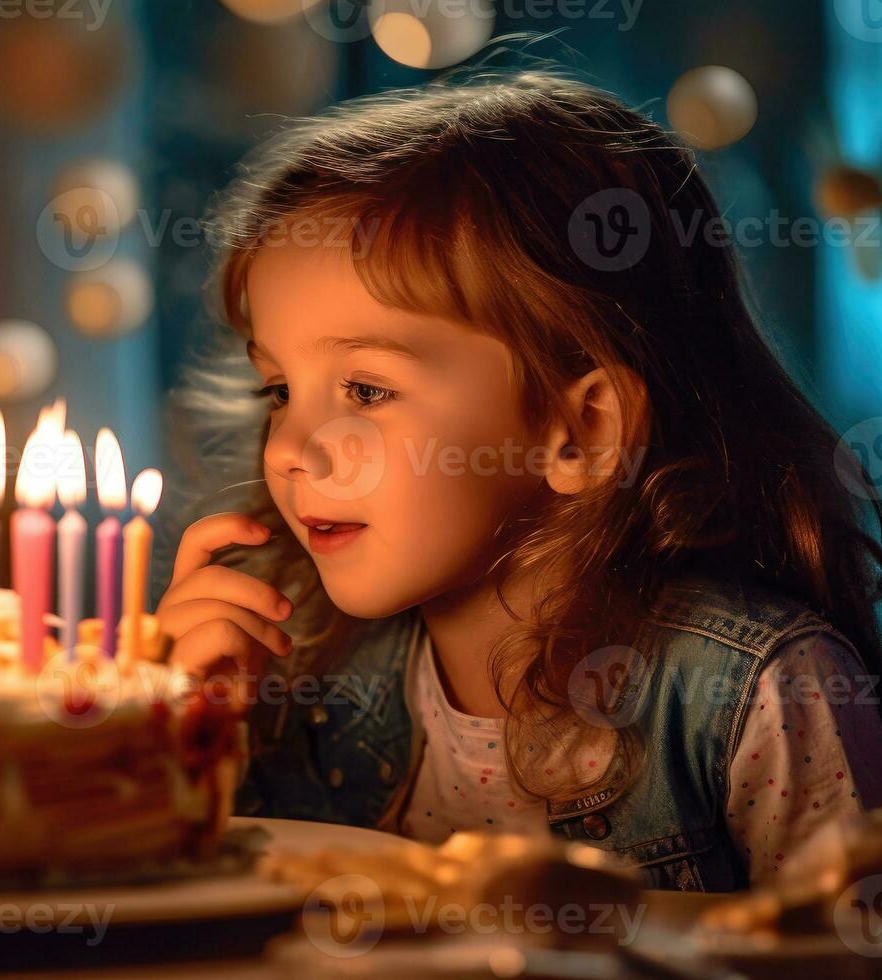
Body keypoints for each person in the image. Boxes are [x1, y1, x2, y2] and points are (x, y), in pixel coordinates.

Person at [158, 70, 882, 891]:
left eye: (365, 390)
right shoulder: (298, 674)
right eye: (279, 391)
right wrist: (189, 739)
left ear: (581, 431)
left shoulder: (760, 694)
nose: (291, 446)